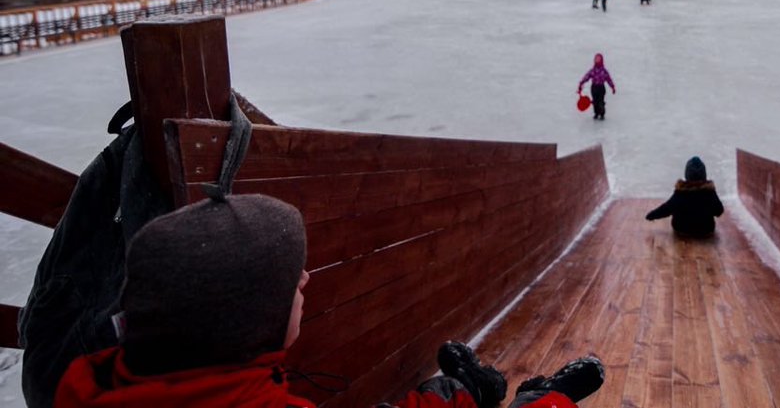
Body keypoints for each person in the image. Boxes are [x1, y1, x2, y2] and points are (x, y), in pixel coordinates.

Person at [53, 192, 604, 408]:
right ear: (244, 319)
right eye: (291, 278)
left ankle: (466, 387)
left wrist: (447, 397)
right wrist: (550, 404)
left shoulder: (99, 388)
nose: (308, 279)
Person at [645, 157, 725, 238]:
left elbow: (667, 209)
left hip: (682, 229)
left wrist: (652, 215)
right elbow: (719, 211)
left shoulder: (681, 192)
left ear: (687, 174)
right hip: (705, 229)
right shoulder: (709, 192)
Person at [577, 53, 615, 120]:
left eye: (598, 59)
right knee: (595, 101)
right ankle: (596, 113)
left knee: (600, 101)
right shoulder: (593, 70)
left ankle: (602, 113)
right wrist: (581, 83)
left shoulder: (604, 71)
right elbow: (587, 77)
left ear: (601, 60)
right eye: (596, 59)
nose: (597, 61)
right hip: (594, 88)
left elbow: (608, 79)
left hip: (601, 88)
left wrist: (612, 86)